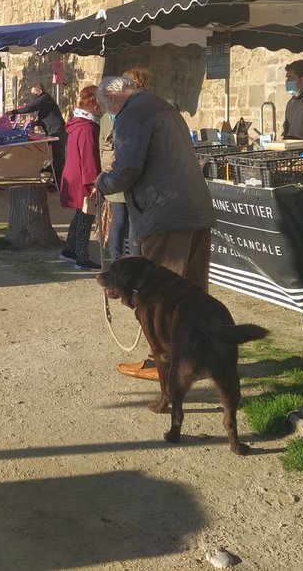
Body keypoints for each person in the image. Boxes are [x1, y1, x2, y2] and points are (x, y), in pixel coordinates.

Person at [95, 74, 215, 381]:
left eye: (106, 106)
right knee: (192, 294)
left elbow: (127, 169)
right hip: (195, 209)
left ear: (111, 98)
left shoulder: (132, 114)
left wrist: (102, 183)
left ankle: (163, 362)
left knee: (163, 295)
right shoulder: (162, 107)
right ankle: (194, 360)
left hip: (166, 213)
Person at [100, 67, 151, 261]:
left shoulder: (106, 116)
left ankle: (117, 260)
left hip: (112, 171)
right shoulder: (129, 114)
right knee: (130, 221)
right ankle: (131, 262)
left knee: (119, 220)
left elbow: (102, 146)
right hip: (125, 173)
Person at [60, 85, 103, 271]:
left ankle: (69, 250)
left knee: (80, 215)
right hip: (83, 177)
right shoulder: (86, 128)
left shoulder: (79, 124)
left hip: (75, 174)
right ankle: (81, 258)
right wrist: (93, 182)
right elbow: (88, 157)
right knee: (86, 217)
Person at [10, 83, 67, 185]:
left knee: (59, 158)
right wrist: (35, 123)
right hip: (53, 130)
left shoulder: (44, 98)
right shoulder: (44, 101)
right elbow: (46, 118)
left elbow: (31, 107)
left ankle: (59, 184)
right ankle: (54, 179)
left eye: (34, 93)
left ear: (39, 92)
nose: (33, 96)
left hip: (57, 131)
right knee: (57, 158)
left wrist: (14, 111)